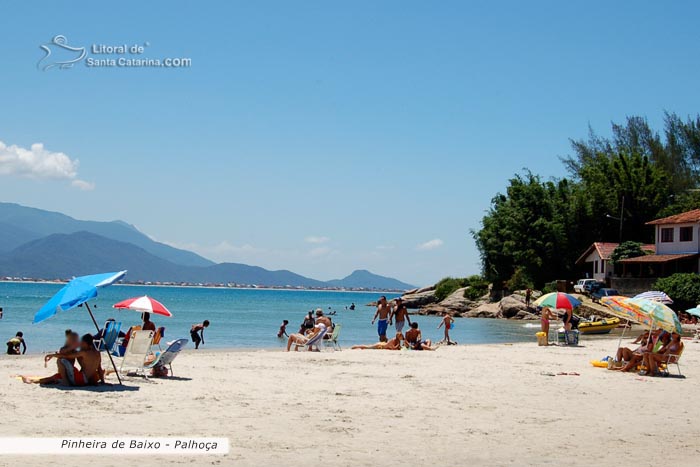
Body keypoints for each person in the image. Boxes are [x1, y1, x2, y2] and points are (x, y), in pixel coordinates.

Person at [24, 334, 104, 386]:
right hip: (88, 381)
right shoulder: (97, 353)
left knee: (60, 360)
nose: (81, 345)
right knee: (57, 376)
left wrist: (53, 355)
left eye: (82, 343)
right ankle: (35, 381)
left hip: (80, 380)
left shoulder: (84, 353)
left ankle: (64, 382)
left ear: (87, 343)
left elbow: (67, 356)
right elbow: (99, 368)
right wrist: (103, 382)